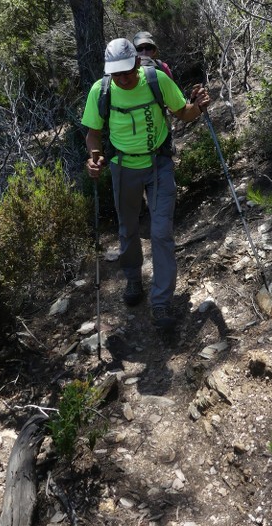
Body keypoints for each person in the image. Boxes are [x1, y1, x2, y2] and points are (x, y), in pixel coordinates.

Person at [82, 37, 210, 330]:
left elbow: (183, 113)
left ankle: (162, 301)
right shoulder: (100, 91)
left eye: (127, 71)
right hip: (123, 167)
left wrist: (199, 107)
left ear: (138, 63)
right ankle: (132, 280)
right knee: (127, 229)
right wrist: (95, 158)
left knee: (161, 231)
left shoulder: (157, 80)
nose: (123, 79)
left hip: (159, 164)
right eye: (117, 74)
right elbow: (93, 134)